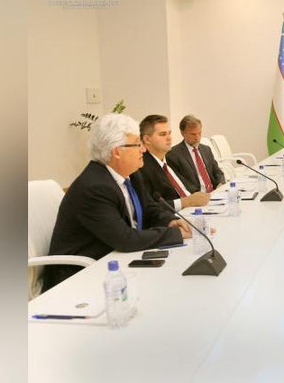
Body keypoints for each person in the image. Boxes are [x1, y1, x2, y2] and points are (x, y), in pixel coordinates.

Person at [43, 114, 192, 291]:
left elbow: (149, 209)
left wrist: (169, 221)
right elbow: (125, 239)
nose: (143, 149)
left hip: (116, 261)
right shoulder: (94, 187)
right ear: (117, 152)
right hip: (78, 277)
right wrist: (174, 234)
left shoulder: (132, 174)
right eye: (137, 144)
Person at [137, 114, 209, 210]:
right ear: (147, 139)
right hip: (177, 215)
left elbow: (187, 188)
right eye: (163, 134)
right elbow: (148, 208)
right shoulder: (141, 168)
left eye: (169, 133)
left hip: (197, 208)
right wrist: (185, 202)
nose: (169, 138)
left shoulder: (167, 161)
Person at [166, 115, 226, 193]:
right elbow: (181, 183)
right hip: (196, 195)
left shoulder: (206, 149)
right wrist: (200, 195)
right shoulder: (173, 154)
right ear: (183, 133)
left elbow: (217, 171)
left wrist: (220, 184)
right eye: (193, 134)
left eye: (199, 133)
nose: (197, 137)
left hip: (215, 192)